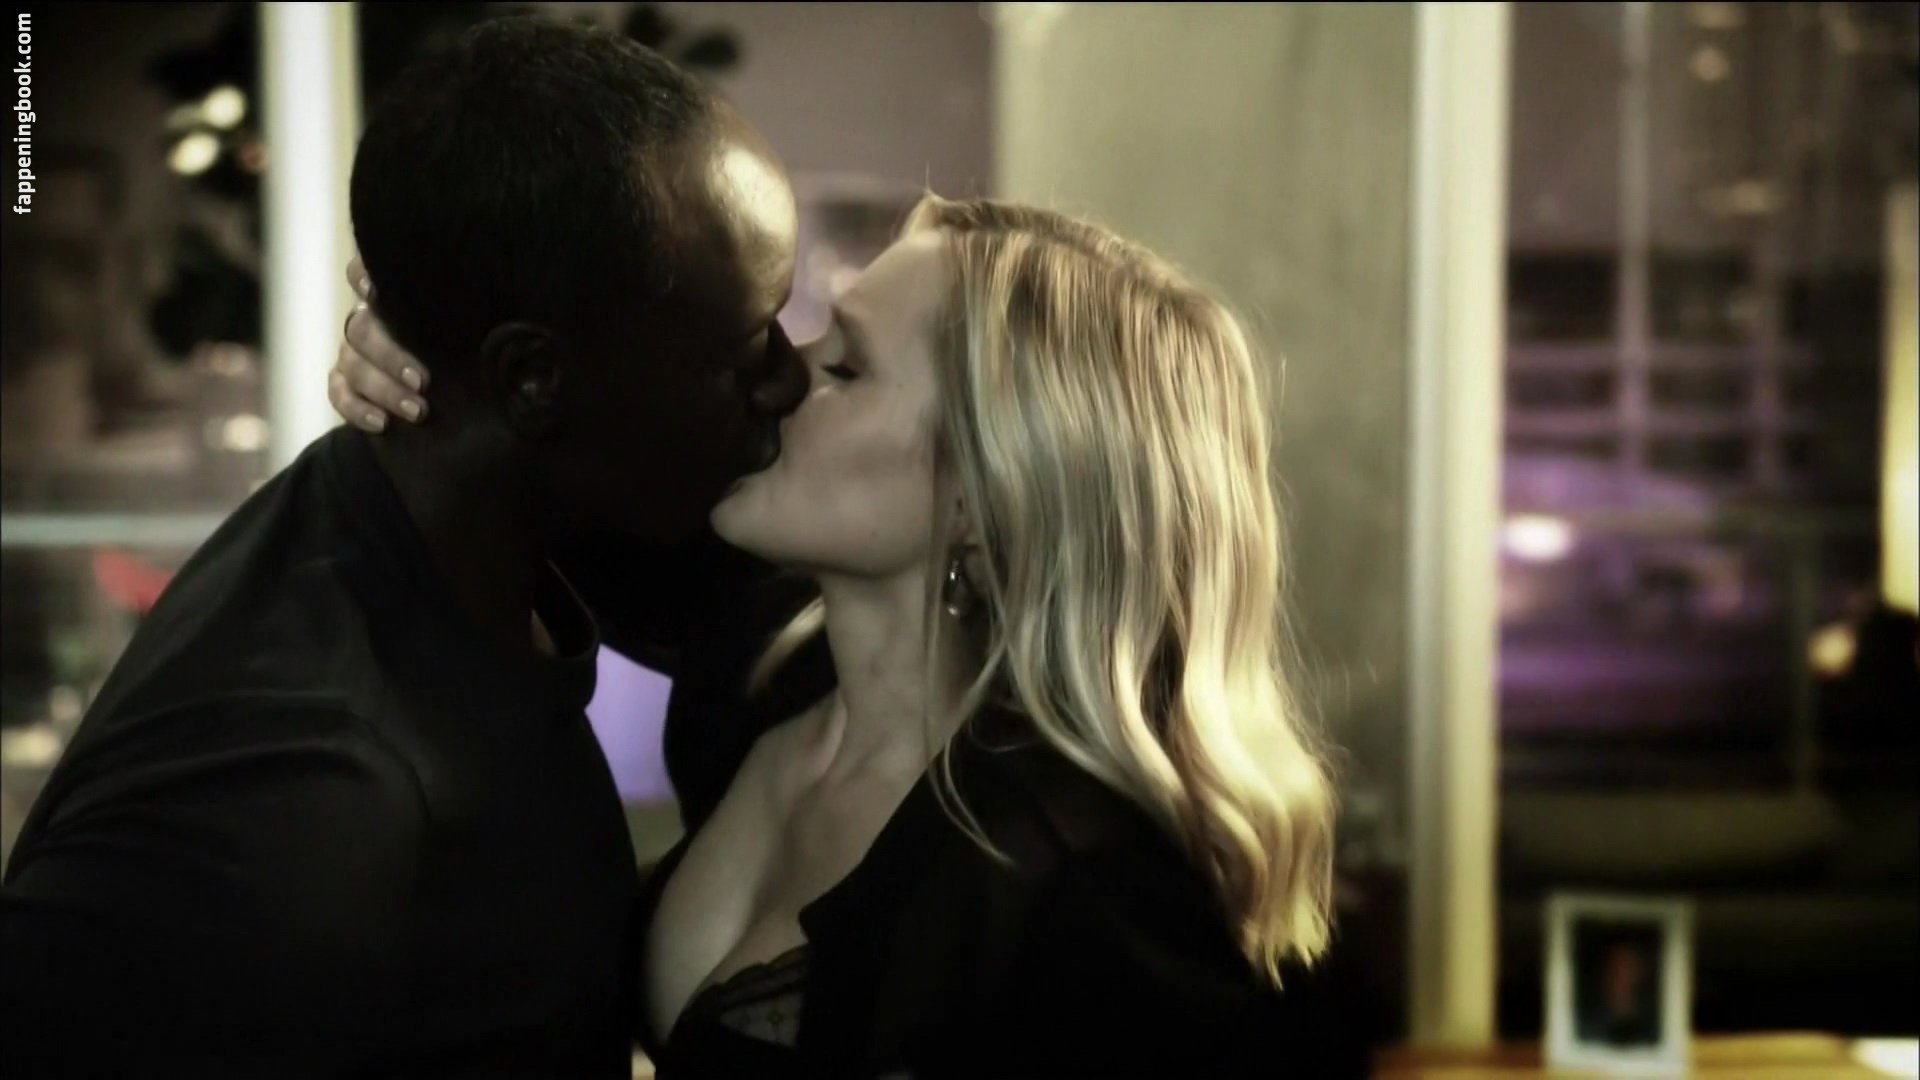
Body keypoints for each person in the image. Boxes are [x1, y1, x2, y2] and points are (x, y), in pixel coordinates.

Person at [334, 195, 1362, 1077]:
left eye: (846, 365)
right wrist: (417, 367)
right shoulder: (762, 666)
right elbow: (509, 459)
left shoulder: (1096, 894)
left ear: (984, 495)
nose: (780, 380)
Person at [0, 20, 807, 1077]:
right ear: (532, 379)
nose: (789, 378)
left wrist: (451, 341)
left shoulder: (500, 526)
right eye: (745, 345)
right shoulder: (295, 802)